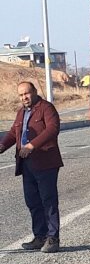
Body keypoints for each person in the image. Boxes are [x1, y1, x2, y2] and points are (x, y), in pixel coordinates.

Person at [0, 81, 64, 253]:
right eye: (21, 95)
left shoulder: (46, 108)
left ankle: (53, 238)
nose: (24, 97)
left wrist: (31, 146)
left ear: (34, 92)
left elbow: (52, 129)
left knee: (48, 201)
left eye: (27, 93)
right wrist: (2, 146)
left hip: (46, 163)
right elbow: (14, 132)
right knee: (32, 201)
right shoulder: (21, 112)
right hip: (27, 165)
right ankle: (39, 236)